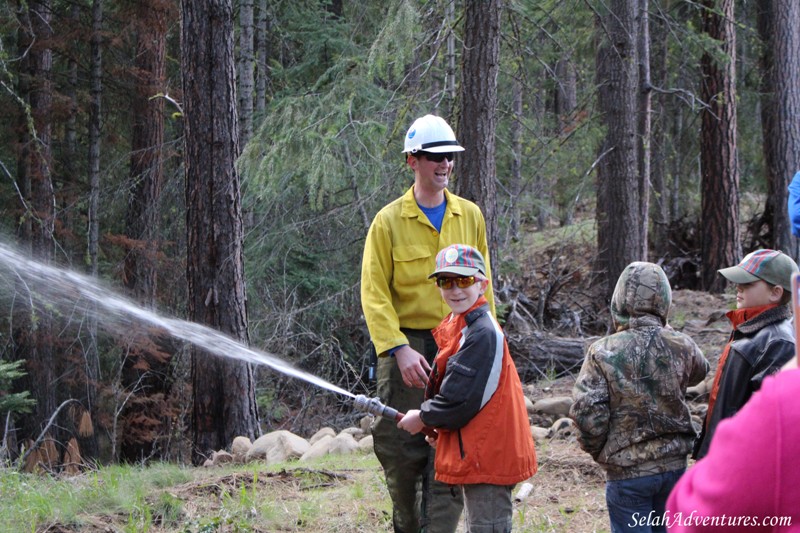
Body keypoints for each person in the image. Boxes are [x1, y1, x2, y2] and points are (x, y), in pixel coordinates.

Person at [360, 114, 495, 533]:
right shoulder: (388, 221)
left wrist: (489, 344)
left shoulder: (469, 215)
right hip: (407, 352)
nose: (445, 164)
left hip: (460, 347)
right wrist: (398, 349)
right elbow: (374, 292)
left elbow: (486, 282)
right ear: (412, 161)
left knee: (452, 453)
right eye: (435, 156)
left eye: (450, 156)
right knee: (403, 455)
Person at [397, 244, 537, 533]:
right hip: (478, 451)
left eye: (464, 280)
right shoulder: (461, 326)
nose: (454, 289)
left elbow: (459, 402)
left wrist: (423, 417)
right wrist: (442, 432)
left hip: (490, 455)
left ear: (482, 284)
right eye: (445, 281)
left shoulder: (482, 333)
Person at [569, 262, 709, 533]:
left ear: (619, 300)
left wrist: (602, 451)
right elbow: (700, 372)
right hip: (675, 469)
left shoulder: (602, 351)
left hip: (627, 474)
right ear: (665, 299)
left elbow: (587, 413)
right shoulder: (683, 345)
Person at [692, 249, 798, 460]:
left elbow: (765, 418)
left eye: (748, 283)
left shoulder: (778, 342)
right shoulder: (750, 329)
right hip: (722, 456)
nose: (738, 287)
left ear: (775, 293)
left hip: (738, 459)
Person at [665, 367, 800, 532]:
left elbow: (698, 520)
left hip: (636, 463)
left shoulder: (783, 401)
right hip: (672, 456)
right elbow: (701, 369)